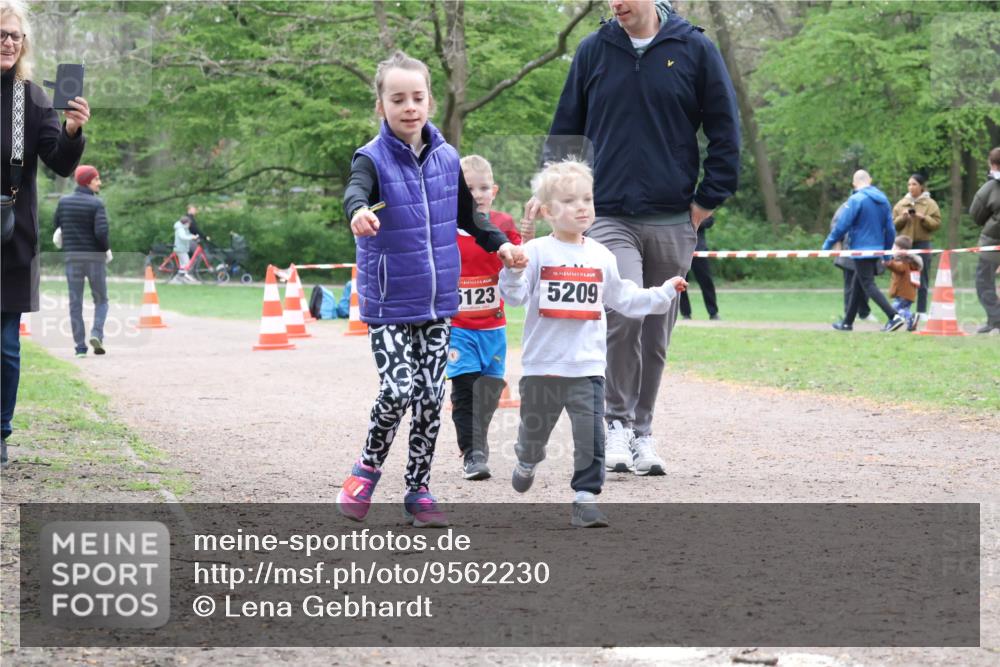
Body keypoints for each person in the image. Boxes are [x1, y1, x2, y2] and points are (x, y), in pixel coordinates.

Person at [524, 0, 740, 476]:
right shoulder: (593, 50)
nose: (616, 3)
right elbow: (566, 134)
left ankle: (643, 432)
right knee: (623, 313)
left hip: (673, 216)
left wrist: (706, 202)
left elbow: (726, 130)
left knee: (657, 330)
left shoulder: (695, 48)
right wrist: (556, 195)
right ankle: (615, 424)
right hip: (607, 214)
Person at [335, 51, 527, 527]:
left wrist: (501, 245)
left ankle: (418, 489)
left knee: (427, 398)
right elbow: (355, 191)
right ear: (381, 105)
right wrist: (358, 211)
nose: (409, 107)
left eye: (417, 97)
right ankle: (366, 469)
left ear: (430, 101)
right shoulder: (371, 158)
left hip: (439, 305)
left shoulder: (446, 159)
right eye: (397, 99)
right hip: (389, 301)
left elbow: (470, 216)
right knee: (399, 390)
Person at [500, 160, 687, 527]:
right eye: (570, 201)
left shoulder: (601, 255)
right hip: (543, 368)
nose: (583, 206)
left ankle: (585, 498)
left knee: (592, 438)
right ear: (549, 211)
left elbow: (624, 298)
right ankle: (527, 457)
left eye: (587, 198)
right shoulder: (537, 251)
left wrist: (663, 293)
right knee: (533, 436)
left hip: (587, 368)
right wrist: (513, 270)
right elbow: (516, 297)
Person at [1, 0, 89, 469]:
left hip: (10, 239)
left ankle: (0, 431)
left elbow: (58, 161)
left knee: (5, 345)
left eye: (15, 35)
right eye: (1, 34)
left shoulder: (31, 98)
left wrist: (73, 129)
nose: (9, 42)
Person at [449, 155, 521, 481]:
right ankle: (473, 453)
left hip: (493, 327)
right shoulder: (444, 229)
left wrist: (520, 253)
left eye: (482, 188)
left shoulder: (503, 226)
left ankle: (478, 440)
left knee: (489, 391)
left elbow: (521, 261)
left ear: (494, 191)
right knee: (464, 388)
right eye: (468, 189)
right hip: (458, 328)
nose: (476, 195)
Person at [823, 170, 905, 333]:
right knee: (857, 283)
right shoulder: (883, 200)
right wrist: (887, 252)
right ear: (870, 180)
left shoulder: (855, 199)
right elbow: (890, 229)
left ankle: (894, 316)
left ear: (854, 184)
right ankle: (847, 323)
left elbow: (841, 225)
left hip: (861, 250)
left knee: (867, 284)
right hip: (876, 250)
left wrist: (828, 244)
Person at [54, 165, 109, 356]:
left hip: (72, 259)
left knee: (75, 303)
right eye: (96, 179)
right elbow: (101, 233)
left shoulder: (63, 202)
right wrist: (106, 250)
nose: (99, 182)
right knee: (101, 300)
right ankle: (96, 334)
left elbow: (58, 226)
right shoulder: (97, 204)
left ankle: (80, 347)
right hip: (94, 259)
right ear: (87, 181)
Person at [892, 173, 941, 324]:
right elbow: (893, 224)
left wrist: (923, 218)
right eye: (909, 184)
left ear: (921, 186)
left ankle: (921, 310)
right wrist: (903, 217)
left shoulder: (930, 204)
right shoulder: (901, 204)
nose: (911, 187)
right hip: (904, 245)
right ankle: (902, 310)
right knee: (903, 278)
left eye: (914, 184)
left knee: (922, 278)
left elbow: (937, 223)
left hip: (922, 244)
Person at [970, 146, 1000, 334]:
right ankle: (993, 320)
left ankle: (996, 318)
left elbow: (976, 215)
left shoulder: (990, 188)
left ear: (993, 164)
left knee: (983, 282)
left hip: (993, 242)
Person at [830, 203, 874, 324]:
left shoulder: (872, 206)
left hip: (867, 250)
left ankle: (864, 313)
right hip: (849, 250)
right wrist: (837, 244)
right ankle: (849, 313)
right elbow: (836, 226)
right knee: (850, 284)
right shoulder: (847, 206)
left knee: (865, 284)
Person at [679, 215, 719, 320]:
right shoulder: (678, 203)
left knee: (706, 281)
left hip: (699, 250)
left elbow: (710, 221)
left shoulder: (700, 203)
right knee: (680, 283)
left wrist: (693, 222)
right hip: (680, 250)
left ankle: (713, 313)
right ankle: (685, 314)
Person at [883, 234, 923, 332]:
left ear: (901, 249)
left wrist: (889, 263)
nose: (892, 248)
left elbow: (899, 268)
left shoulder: (904, 261)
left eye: (894, 247)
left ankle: (908, 318)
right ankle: (911, 324)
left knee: (894, 310)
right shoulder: (910, 261)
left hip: (902, 293)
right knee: (903, 310)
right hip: (909, 292)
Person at [171, 215, 198, 284]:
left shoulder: (184, 228)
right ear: (185, 223)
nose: (189, 225)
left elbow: (188, 235)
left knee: (183, 264)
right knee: (186, 263)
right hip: (180, 248)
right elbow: (183, 237)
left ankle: (178, 278)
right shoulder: (180, 229)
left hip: (182, 248)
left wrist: (194, 236)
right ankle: (180, 277)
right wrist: (192, 237)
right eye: (189, 223)